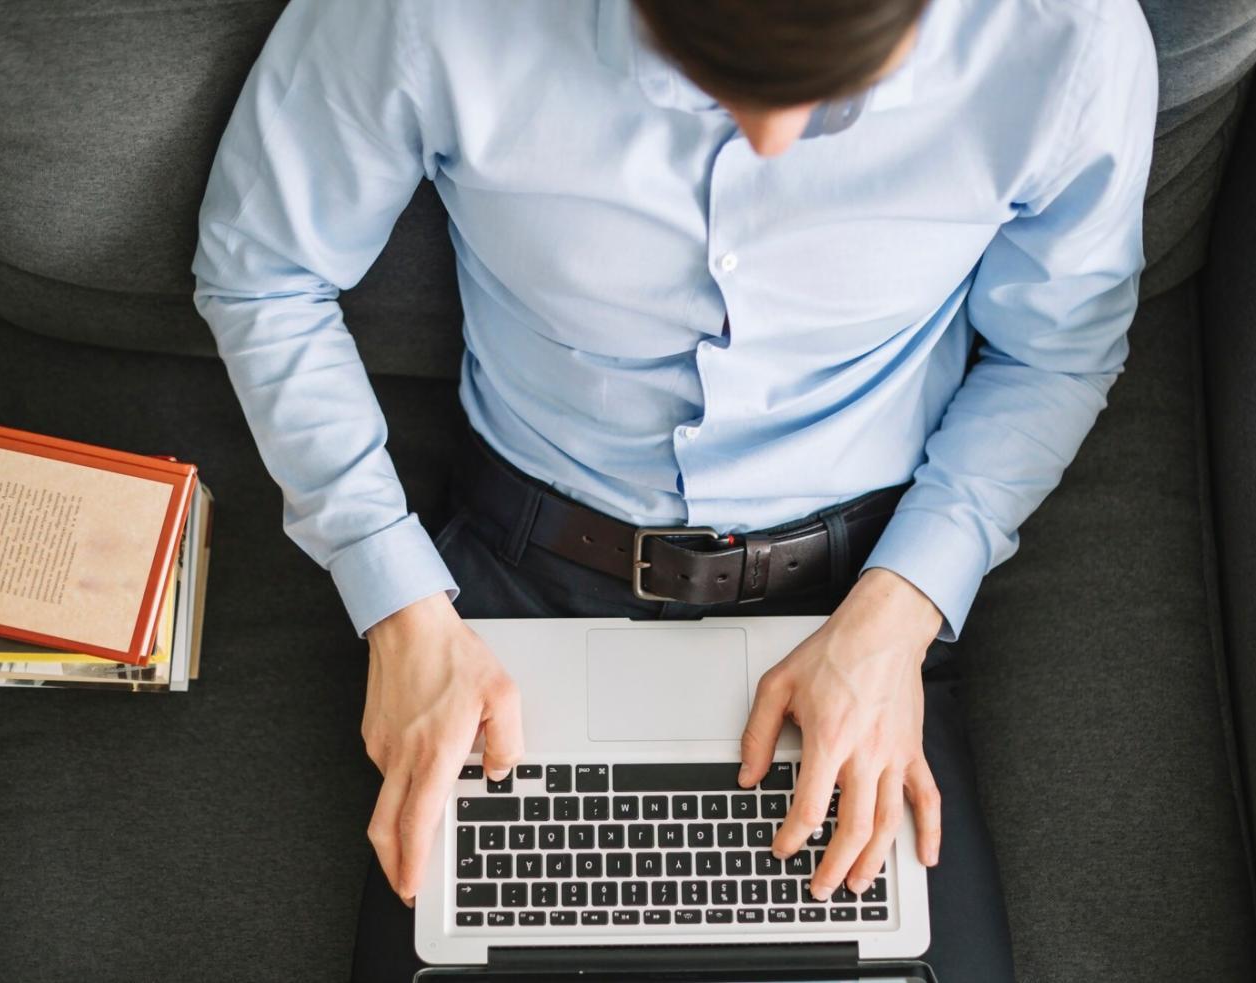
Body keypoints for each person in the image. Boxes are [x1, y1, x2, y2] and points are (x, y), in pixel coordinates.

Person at [193, 0, 1158, 979]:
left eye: (836, 101)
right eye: (709, 81)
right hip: (523, 570)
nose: (770, 142)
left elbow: (1056, 349)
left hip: (864, 589)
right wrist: (396, 599)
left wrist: (903, 609)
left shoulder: (1064, 35)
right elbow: (263, 271)